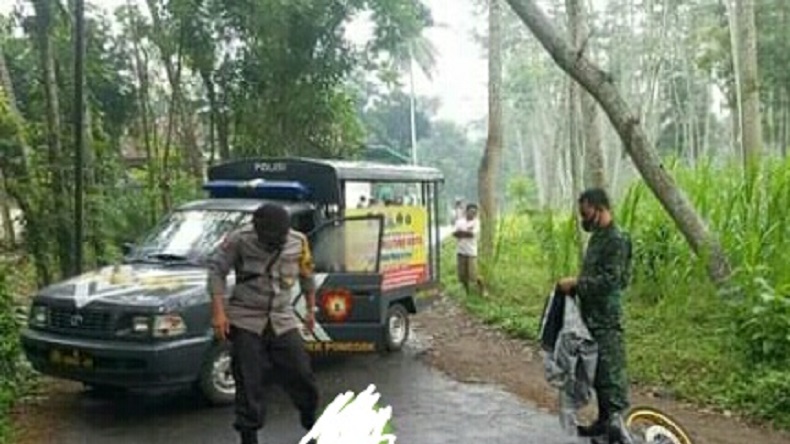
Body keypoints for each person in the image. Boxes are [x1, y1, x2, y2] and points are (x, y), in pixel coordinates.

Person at [208, 203, 320, 444]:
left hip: (282, 317)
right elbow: (216, 271)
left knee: (302, 375)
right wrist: (219, 313)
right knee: (249, 382)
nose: (275, 242)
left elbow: (307, 275)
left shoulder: (298, 242)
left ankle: (311, 422)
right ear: (257, 231)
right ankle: (249, 437)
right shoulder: (239, 240)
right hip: (246, 318)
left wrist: (311, 310)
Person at [556, 188, 633, 443]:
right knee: (597, 373)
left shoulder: (617, 240)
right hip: (591, 318)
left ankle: (617, 430)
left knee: (612, 377)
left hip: (607, 320)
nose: (584, 218)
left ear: (600, 209)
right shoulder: (598, 238)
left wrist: (577, 284)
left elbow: (612, 281)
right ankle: (602, 424)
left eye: (586, 213)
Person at [453, 203, 483, 295]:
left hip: (471, 252)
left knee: (473, 275)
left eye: (475, 212)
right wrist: (465, 233)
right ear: (467, 211)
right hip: (460, 251)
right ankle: (467, 292)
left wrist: (462, 233)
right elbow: (455, 234)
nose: (473, 214)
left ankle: (482, 287)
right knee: (462, 276)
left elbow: (472, 234)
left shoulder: (476, 222)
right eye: (471, 211)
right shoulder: (459, 222)